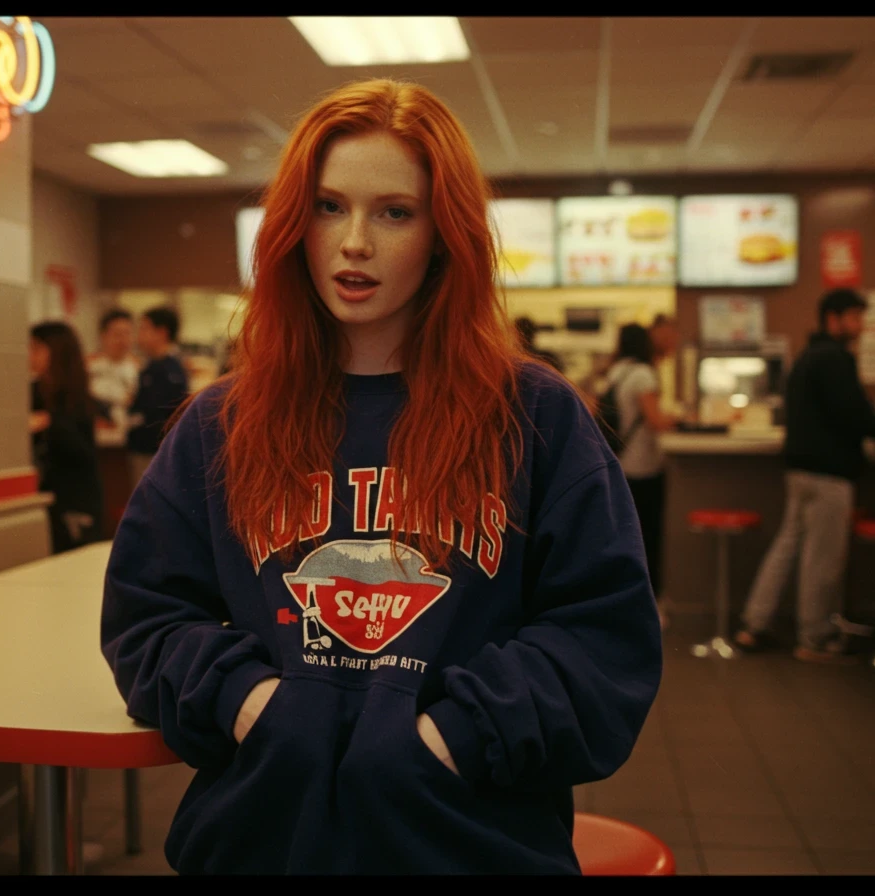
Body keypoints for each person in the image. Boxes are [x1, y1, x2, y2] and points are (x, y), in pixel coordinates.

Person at [99, 78, 662, 875]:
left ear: (443, 233)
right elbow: (145, 617)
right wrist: (257, 708)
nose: (353, 241)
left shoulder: (536, 418)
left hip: (470, 845)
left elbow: (605, 643)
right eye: (329, 207)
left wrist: (450, 737)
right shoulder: (221, 423)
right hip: (262, 842)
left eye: (393, 212)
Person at [734, 288, 875, 663]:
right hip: (829, 473)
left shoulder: (807, 357)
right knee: (821, 559)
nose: (860, 326)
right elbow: (856, 415)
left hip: (798, 471)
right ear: (834, 318)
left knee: (787, 547)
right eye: (855, 317)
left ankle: (754, 623)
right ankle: (815, 638)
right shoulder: (836, 359)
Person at [604, 323, 680, 630]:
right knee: (649, 538)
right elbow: (656, 420)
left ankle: (622, 604)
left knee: (624, 539)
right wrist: (680, 419)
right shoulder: (643, 375)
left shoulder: (616, 372)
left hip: (620, 465)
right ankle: (651, 607)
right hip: (644, 466)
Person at [28, 321, 104, 555]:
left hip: (75, 500)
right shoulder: (32, 391)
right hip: (43, 498)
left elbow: (84, 454)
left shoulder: (76, 397)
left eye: (36, 349)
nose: (30, 356)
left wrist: (50, 422)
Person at [126, 306, 190, 483]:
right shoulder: (151, 367)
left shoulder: (170, 370)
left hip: (156, 453)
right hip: (144, 449)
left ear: (162, 332)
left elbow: (162, 413)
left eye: (144, 328)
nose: (139, 335)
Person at [87, 308, 141, 428]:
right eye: (117, 334)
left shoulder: (140, 369)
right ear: (103, 336)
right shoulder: (89, 367)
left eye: (127, 333)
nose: (123, 340)